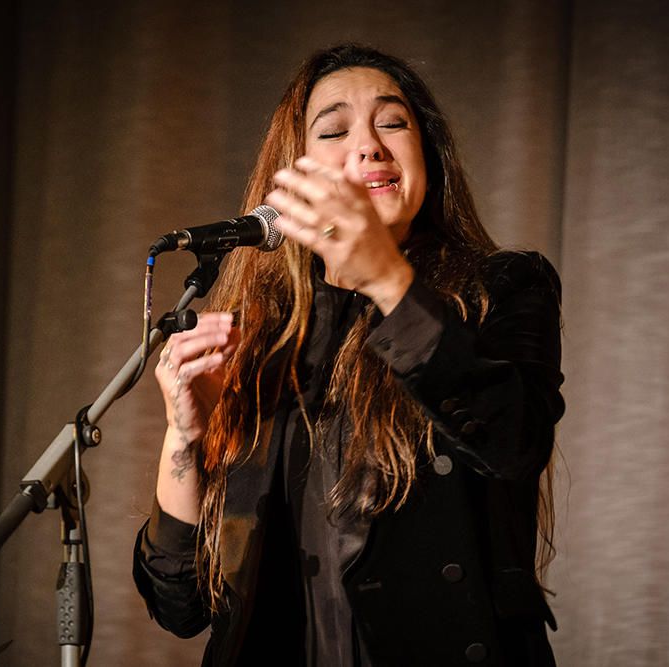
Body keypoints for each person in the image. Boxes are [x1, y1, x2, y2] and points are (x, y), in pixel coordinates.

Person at [132, 44, 564, 666]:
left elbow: (513, 441)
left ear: (429, 157)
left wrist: (388, 279)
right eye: (334, 130)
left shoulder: (504, 287)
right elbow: (184, 607)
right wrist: (185, 439)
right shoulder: (265, 339)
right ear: (295, 175)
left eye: (392, 123)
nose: (368, 146)